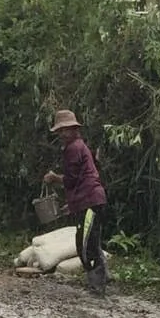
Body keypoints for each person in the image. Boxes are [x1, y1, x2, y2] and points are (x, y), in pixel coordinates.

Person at [43, 110, 109, 295]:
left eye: (67, 130)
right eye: (61, 130)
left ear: (74, 129)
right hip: (90, 200)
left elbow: (71, 180)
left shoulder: (73, 149)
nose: (63, 134)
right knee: (91, 241)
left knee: (85, 244)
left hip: (90, 200)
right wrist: (71, 205)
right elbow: (80, 181)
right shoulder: (79, 146)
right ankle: (102, 279)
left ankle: (97, 285)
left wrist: (54, 178)